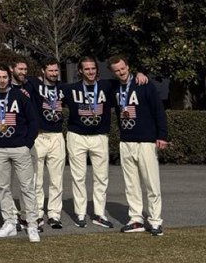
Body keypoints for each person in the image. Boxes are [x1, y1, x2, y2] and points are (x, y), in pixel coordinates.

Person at [107, 54, 167, 235]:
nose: (121, 72)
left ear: (128, 67)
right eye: (117, 70)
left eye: (123, 68)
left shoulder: (144, 84)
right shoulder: (114, 87)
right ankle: (136, 219)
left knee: (151, 183)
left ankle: (155, 221)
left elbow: (159, 110)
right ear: (113, 72)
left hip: (146, 141)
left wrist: (162, 136)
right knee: (131, 184)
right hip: (126, 141)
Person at [0, 66, 41, 242]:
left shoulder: (20, 96)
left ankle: (32, 224)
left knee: (27, 187)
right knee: (3, 188)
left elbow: (33, 121)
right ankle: (9, 222)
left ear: (9, 78)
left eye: (4, 77)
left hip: (20, 148)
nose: (1, 80)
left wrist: (27, 144)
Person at [64, 56, 115, 229]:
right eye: (86, 69)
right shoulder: (71, 89)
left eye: (93, 68)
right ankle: (80, 213)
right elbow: (46, 88)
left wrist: (139, 75)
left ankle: (99, 214)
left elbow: (125, 79)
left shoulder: (107, 86)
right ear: (80, 71)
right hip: (76, 136)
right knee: (78, 176)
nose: (90, 71)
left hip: (99, 136)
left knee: (101, 177)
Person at [29, 59, 67, 230]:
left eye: (56, 71)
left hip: (57, 135)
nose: (54, 74)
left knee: (56, 179)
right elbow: (16, 76)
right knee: (36, 178)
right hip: (39, 136)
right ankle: (37, 213)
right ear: (43, 71)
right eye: (50, 71)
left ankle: (54, 214)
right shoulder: (34, 84)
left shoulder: (63, 88)